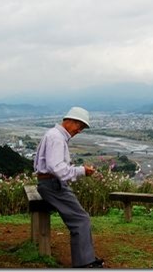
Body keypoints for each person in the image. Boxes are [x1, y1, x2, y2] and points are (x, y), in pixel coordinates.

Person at [34, 106, 104, 268]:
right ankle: (84, 263)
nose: (80, 130)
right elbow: (56, 167)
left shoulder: (53, 134)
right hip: (52, 185)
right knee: (81, 219)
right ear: (70, 121)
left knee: (80, 217)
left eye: (83, 128)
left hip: (50, 183)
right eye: (79, 126)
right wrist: (81, 171)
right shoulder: (57, 138)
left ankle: (86, 258)